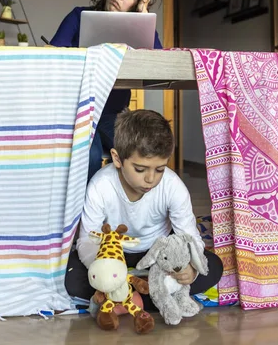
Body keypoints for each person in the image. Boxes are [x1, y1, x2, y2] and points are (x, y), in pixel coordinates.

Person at [65, 109, 223, 309]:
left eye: (160, 169)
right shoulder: (100, 186)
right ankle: (152, 295)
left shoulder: (173, 186)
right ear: (117, 158)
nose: (150, 179)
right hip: (113, 252)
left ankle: (125, 296)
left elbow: (190, 237)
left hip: (158, 253)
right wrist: (107, 270)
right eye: (140, 169)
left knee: (214, 266)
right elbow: (88, 240)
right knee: (69, 276)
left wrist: (191, 266)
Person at [50, 0, 162, 180]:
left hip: (114, 114)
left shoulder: (138, 27)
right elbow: (53, 59)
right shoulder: (78, 16)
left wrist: (143, 16)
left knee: (138, 154)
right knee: (90, 158)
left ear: (138, 1)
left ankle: (122, 208)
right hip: (77, 112)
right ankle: (84, 213)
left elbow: (157, 65)